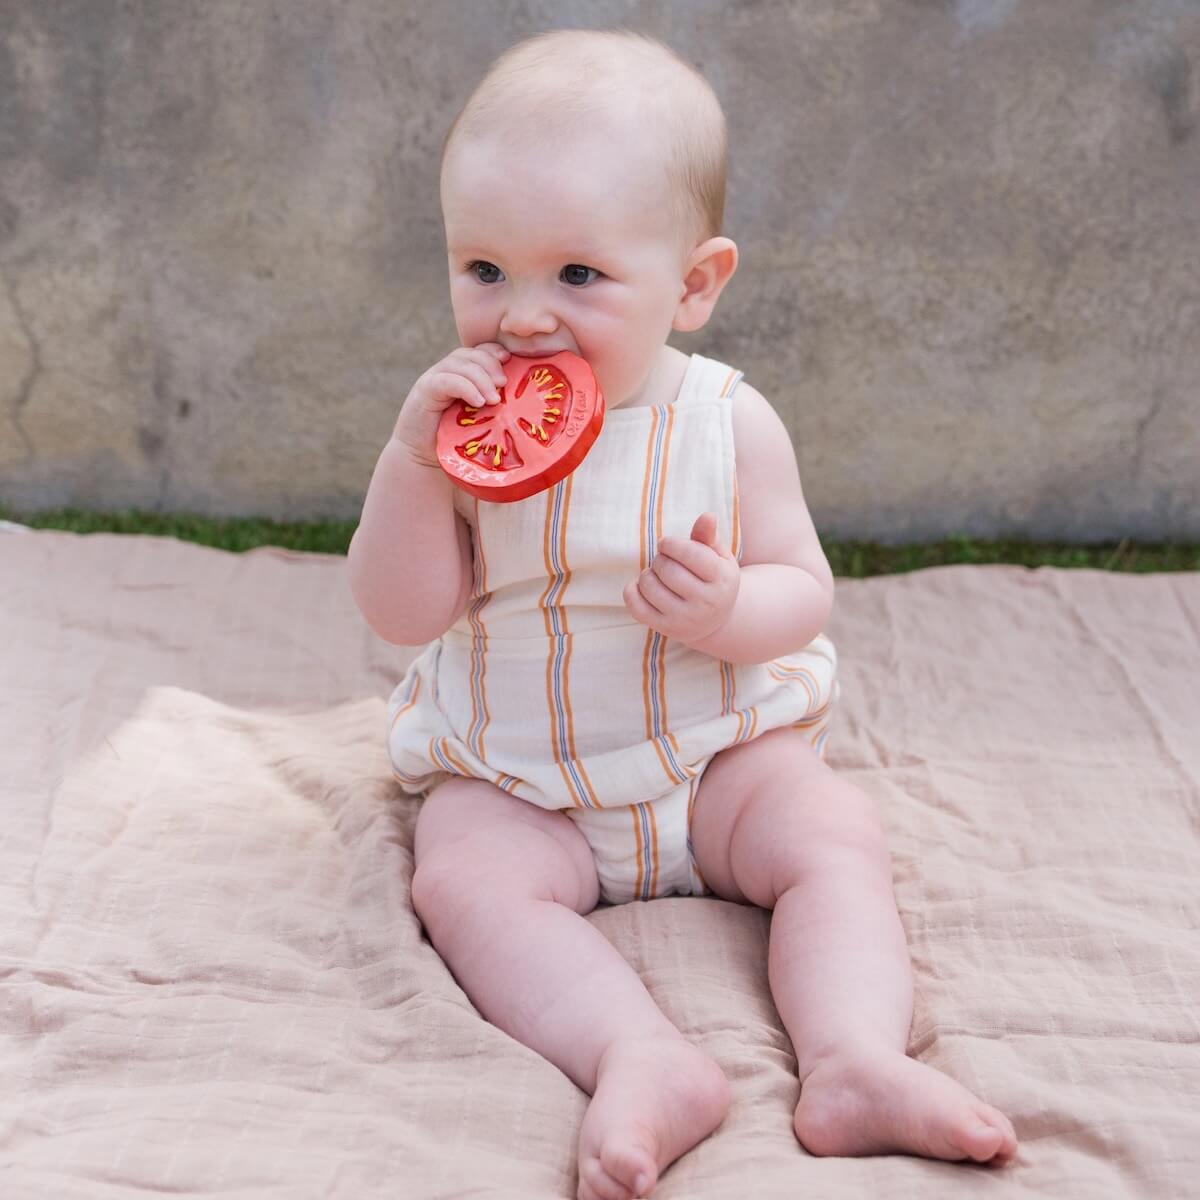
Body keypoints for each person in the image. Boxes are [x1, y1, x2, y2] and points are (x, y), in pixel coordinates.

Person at [348, 27, 1017, 1200]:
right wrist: (409, 466)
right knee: (460, 880)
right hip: (523, 780)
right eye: (485, 270)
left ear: (694, 285)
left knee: (832, 834)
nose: (522, 318)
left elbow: (803, 589)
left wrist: (729, 608)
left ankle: (853, 1060)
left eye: (578, 276)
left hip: (712, 764)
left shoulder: (725, 422)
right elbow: (403, 612)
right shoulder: (457, 437)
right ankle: (640, 1056)